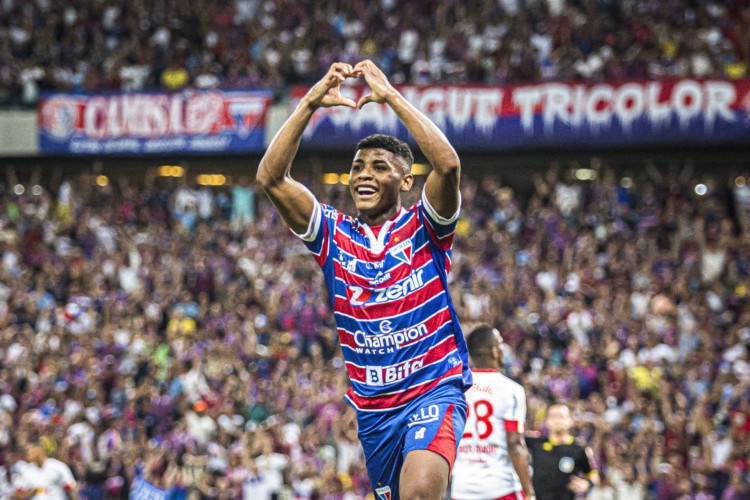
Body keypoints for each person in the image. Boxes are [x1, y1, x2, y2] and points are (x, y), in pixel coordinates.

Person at [256, 60, 472, 499]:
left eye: (378, 167)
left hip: (433, 388)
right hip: (374, 412)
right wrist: (310, 103)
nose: (363, 176)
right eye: (357, 168)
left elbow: (447, 167)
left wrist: (391, 96)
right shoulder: (333, 234)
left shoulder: (424, 227)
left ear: (406, 180)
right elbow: (271, 179)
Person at [452, 325, 535, 500]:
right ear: (495, 351)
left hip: (462, 489)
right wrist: (529, 491)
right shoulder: (511, 390)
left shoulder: (455, 389)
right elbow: (515, 444)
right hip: (500, 487)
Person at [525, 404, 599, 500]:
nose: (557, 420)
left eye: (561, 416)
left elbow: (594, 475)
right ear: (546, 421)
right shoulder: (535, 442)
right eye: (553, 416)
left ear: (570, 420)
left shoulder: (579, 448)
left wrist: (587, 484)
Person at [12, 445, 78, 499]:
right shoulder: (27, 470)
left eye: (31, 453)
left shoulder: (57, 466)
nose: (28, 456)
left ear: (39, 451)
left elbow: (71, 485)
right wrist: (28, 493)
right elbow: (18, 492)